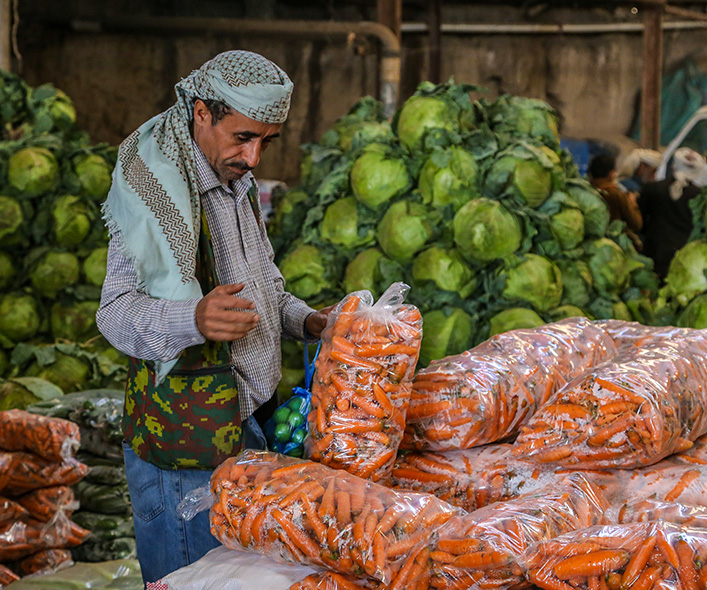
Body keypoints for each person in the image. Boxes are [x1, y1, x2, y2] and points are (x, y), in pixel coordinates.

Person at [96, 50, 330, 585]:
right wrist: (194, 319)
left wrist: (313, 322)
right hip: (185, 452)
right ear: (202, 112)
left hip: (243, 432)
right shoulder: (158, 196)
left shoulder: (238, 189)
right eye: (242, 137)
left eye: (266, 142)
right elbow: (113, 313)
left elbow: (266, 290)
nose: (253, 158)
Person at [640, 147, 707, 280]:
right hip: (685, 254)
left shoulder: (653, 188)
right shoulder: (700, 196)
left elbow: (640, 219)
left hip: (655, 251)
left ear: (673, 167)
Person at [588, 152, 643, 250]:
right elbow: (636, 224)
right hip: (615, 247)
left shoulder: (586, 190)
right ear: (611, 173)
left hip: (590, 245)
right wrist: (633, 202)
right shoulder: (616, 194)